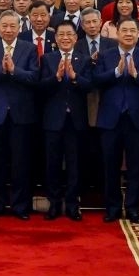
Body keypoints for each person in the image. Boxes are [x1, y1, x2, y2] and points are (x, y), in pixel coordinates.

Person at [93, 17, 139, 224]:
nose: (129, 34)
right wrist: (116, 72)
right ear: (117, 33)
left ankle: (133, 208)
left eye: (133, 30)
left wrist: (136, 75)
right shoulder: (106, 55)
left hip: (137, 120)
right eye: (125, 30)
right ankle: (112, 208)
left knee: (136, 166)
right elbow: (96, 80)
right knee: (109, 166)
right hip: (110, 119)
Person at [0, 10, 40, 219]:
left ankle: (21, 207)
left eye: (13, 26)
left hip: (21, 114)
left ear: (19, 28)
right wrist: (1, 70)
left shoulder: (29, 49)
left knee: (21, 163)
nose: (8, 29)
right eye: (4, 26)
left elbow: (34, 77)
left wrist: (14, 70)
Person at [39, 20, 94, 221]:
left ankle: (72, 204)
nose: (65, 38)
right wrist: (57, 77)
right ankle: (54, 204)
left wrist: (74, 76)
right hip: (53, 120)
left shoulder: (84, 59)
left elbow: (90, 86)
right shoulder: (47, 58)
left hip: (76, 120)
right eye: (61, 34)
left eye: (69, 34)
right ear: (55, 38)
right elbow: (41, 86)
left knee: (74, 164)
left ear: (75, 37)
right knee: (52, 163)